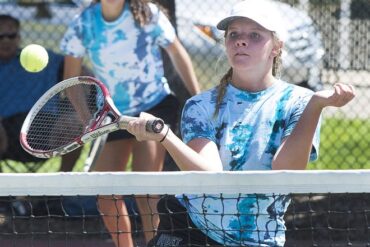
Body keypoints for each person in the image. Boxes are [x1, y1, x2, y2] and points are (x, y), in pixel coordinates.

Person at [125, 0, 356, 246]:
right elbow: (211, 177)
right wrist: (165, 137)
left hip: (260, 238)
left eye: (255, 35)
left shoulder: (300, 103)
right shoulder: (200, 106)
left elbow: (285, 172)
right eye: (233, 34)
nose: (241, 41)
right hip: (192, 231)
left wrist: (316, 106)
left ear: (277, 46)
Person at [60, 0, 200, 246]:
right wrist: (87, 121)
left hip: (155, 107)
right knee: (104, 195)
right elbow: (71, 80)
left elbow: (178, 53)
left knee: (146, 190)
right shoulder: (83, 23)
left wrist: (198, 100)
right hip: (115, 116)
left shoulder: (149, 14)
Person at [0, 14, 82, 172]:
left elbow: (81, 73)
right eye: (0, 36)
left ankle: (61, 188)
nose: (6, 41)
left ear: (18, 37)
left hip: (45, 127)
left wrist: (78, 109)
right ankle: (2, 190)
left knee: (73, 126)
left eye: (11, 36)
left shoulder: (48, 58)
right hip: (4, 130)